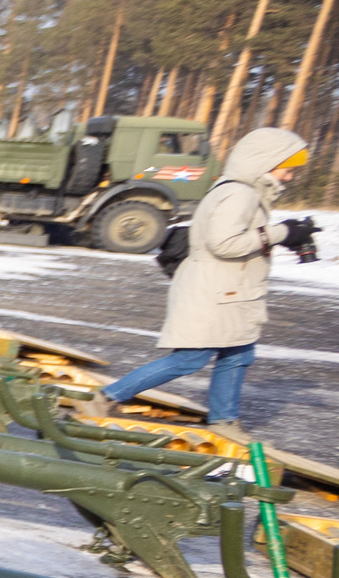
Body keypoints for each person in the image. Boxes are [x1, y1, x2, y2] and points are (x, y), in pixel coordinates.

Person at [83, 128, 313, 436]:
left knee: (238, 353)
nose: (289, 177)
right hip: (215, 289)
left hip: (231, 289)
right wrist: (281, 232)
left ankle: (224, 422)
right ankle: (105, 397)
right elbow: (224, 243)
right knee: (190, 359)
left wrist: (287, 237)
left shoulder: (246, 192)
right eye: (287, 169)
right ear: (266, 163)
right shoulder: (239, 193)